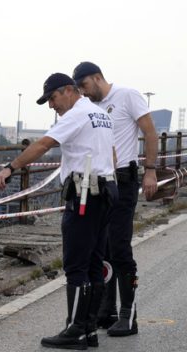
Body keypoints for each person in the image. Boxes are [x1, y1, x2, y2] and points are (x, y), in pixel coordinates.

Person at [0, 73, 118, 350]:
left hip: (85, 194)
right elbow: (112, 153)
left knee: (76, 265)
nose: (51, 106)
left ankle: (75, 329)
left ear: (69, 90)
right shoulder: (99, 114)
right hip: (105, 191)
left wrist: (10, 168)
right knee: (95, 263)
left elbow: (43, 144)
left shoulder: (76, 115)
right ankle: (89, 328)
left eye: (53, 98)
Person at [72, 62, 158, 337]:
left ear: (97, 78)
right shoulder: (91, 107)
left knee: (119, 248)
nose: (84, 93)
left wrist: (151, 171)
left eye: (85, 86)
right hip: (104, 181)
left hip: (125, 179)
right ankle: (105, 311)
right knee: (102, 248)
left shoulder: (127, 95)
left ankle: (128, 315)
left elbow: (150, 132)